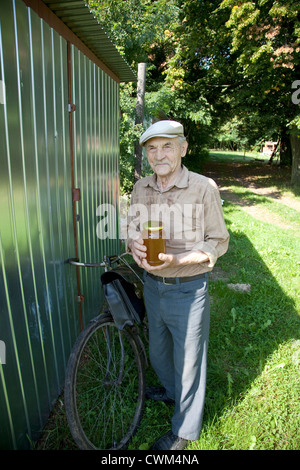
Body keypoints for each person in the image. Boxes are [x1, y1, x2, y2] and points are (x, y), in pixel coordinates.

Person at [126, 120, 229, 450]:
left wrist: (178, 262)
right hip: (152, 286)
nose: (159, 154)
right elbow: (131, 228)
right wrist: (133, 245)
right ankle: (171, 393)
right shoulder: (141, 187)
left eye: (167, 146)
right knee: (158, 352)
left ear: (183, 149)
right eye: (152, 148)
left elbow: (218, 240)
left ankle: (183, 432)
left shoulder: (203, 188)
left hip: (188, 289)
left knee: (189, 364)